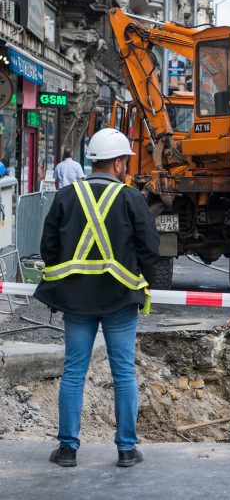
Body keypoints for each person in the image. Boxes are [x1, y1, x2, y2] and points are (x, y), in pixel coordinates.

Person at [36, 128, 159, 468]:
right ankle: (126, 450)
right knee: (123, 374)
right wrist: (144, 279)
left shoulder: (65, 196)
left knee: (74, 372)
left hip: (76, 301)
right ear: (119, 162)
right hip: (120, 299)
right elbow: (151, 249)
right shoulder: (132, 198)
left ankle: (67, 450)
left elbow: (48, 248)